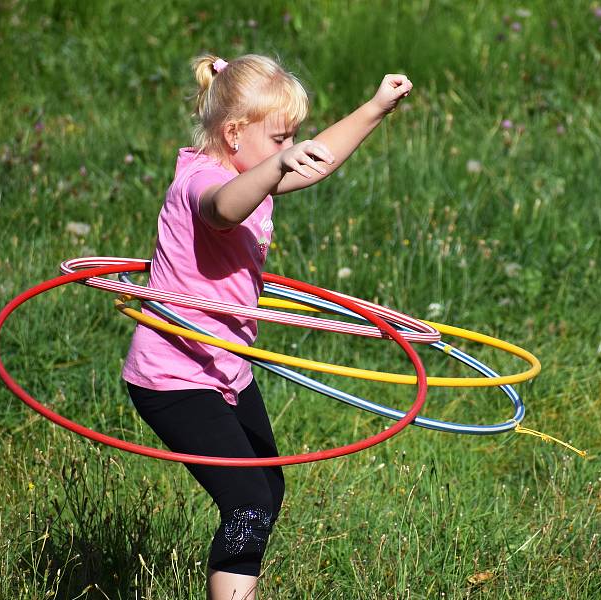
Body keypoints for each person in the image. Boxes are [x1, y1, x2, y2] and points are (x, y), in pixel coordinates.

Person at [122, 53, 412, 600]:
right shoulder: (204, 181)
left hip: (225, 368)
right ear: (234, 134)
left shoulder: (251, 169)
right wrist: (277, 167)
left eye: (291, 138)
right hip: (173, 377)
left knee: (267, 488)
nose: (289, 150)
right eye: (281, 139)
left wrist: (376, 108)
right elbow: (223, 210)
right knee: (248, 499)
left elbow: (316, 162)